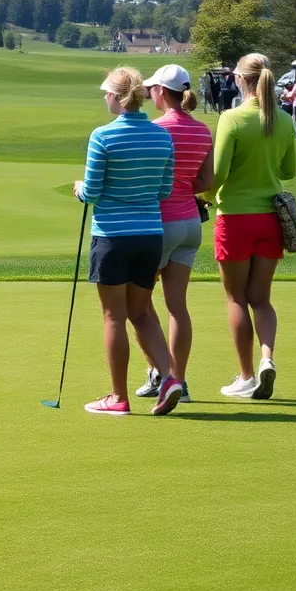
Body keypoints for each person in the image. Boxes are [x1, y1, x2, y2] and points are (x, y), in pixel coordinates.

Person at [73, 67, 182, 417]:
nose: (104, 97)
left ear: (117, 97)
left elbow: (91, 191)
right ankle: (170, 378)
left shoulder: (102, 136)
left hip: (112, 238)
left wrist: (78, 189)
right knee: (140, 312)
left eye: (106, 92)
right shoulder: (161, 137)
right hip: (150, 236)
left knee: (114, 317)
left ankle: (118, 397)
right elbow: (164, 190)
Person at [210, 54, 296, 400]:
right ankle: (266, 359)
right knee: (261, 299)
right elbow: (288, 171)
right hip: (270, 219)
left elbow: (217, 174)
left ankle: (246, 376)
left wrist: (202, 195)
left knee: (235, 298)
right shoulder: (285, 120)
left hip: (234, 218)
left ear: (240, 80)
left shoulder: (231, 118)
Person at [134, 65, 212, 405]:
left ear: (161, 93)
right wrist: (183, 189)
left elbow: (146, 180)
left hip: (159, 225)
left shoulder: (155, 129)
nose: (150, 94)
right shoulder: (203, 130)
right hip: (191, 224)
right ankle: (179, 380)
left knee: (136, 305)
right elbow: (206, 183)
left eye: (152, 89)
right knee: (177, 306)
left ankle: (160, 375)